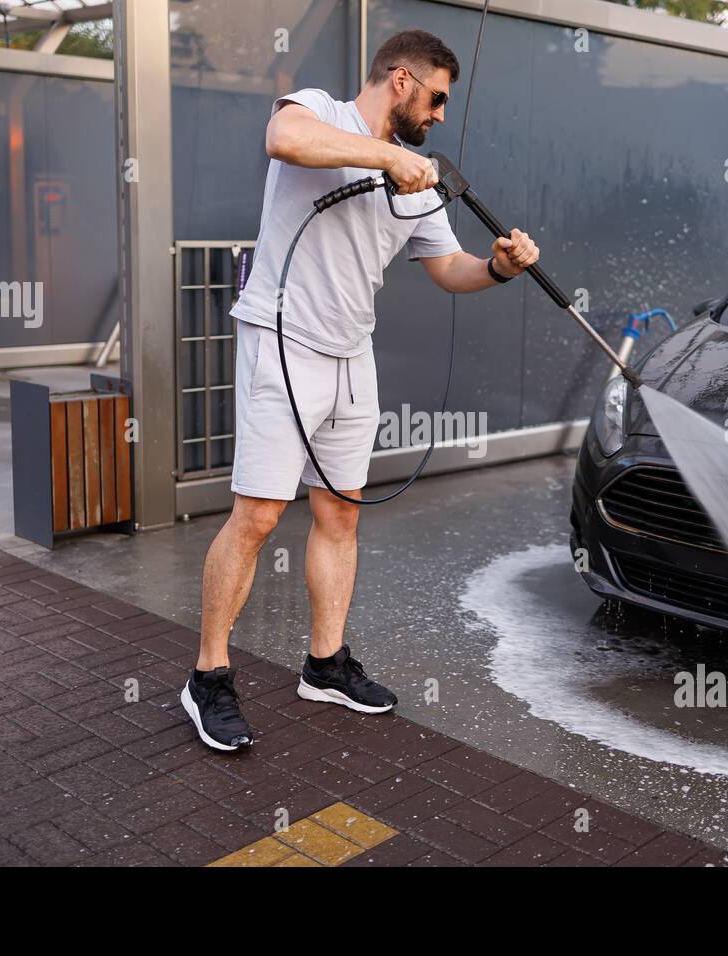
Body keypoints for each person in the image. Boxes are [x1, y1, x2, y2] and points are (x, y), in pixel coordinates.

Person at [181, 29, 541, 751]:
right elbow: (284, 139)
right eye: (436, 98)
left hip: (351, 354)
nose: (440, 115)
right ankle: (207, 679)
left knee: (340, 514)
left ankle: (324, 664)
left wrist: (499, 268)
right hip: (282, 339)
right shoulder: (322, 110)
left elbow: (448, 269)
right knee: (255, 519)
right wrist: (388, 156)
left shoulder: (421, 179)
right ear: (400, 80)